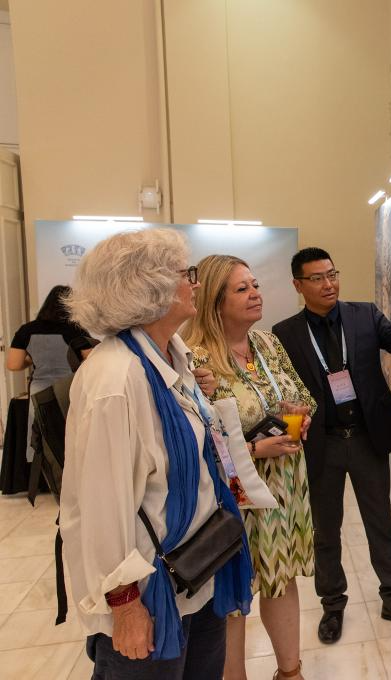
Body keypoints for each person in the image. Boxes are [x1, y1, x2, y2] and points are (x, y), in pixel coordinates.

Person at [61, 229, 253, 679]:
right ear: (148, 287)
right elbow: (100, 508)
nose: (196, 283)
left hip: (199, 569)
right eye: (186, 274)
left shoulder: (173, 358)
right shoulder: (115, 379)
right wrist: (125, 605)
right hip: (149, 592)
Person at [271, 247, 391, 643]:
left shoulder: (364, 315)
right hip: (322, 445)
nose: (329, 284)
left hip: (366, 439)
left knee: (380, 523)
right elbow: (279, 387)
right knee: (326, 530)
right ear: (298, 285)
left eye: (332, 274)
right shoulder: (284, 334)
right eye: (317, 278)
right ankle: (332, 605)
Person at [184, 254, 315, 680]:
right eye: (242, 289)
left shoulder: (267, 344)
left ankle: (290, 673)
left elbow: (303, 395)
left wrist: (302, 416)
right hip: (234, 495)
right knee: (232, 596)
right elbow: (196, 439)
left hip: (284, 488)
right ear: (215, 301)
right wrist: (257, 450)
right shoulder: (194, 359)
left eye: (255, 285)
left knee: (281, 578)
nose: (256, 293)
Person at [6, 284, 93, 463]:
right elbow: (92, 359)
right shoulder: (75, 330)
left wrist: (33, 359)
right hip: (68, 390)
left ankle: (39, 471)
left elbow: (14, 364)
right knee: (69, 434)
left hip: (38, 391)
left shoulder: (27, 330)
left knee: (39, 436)